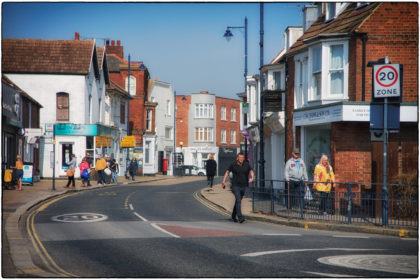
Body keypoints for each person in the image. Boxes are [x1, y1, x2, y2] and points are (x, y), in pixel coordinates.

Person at [221, 153, 255, 223]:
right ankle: (240, 217)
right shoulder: (233, 165)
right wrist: (223, 181)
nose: (241, 159)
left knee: (238, 201)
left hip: (243, 185)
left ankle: (233, 215)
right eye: (240, 157)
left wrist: (252, 178)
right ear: (237, 158)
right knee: (238, 199)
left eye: (242, 157)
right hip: (235, 185)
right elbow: (227, 172)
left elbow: (251, 171)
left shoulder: (246, 164)